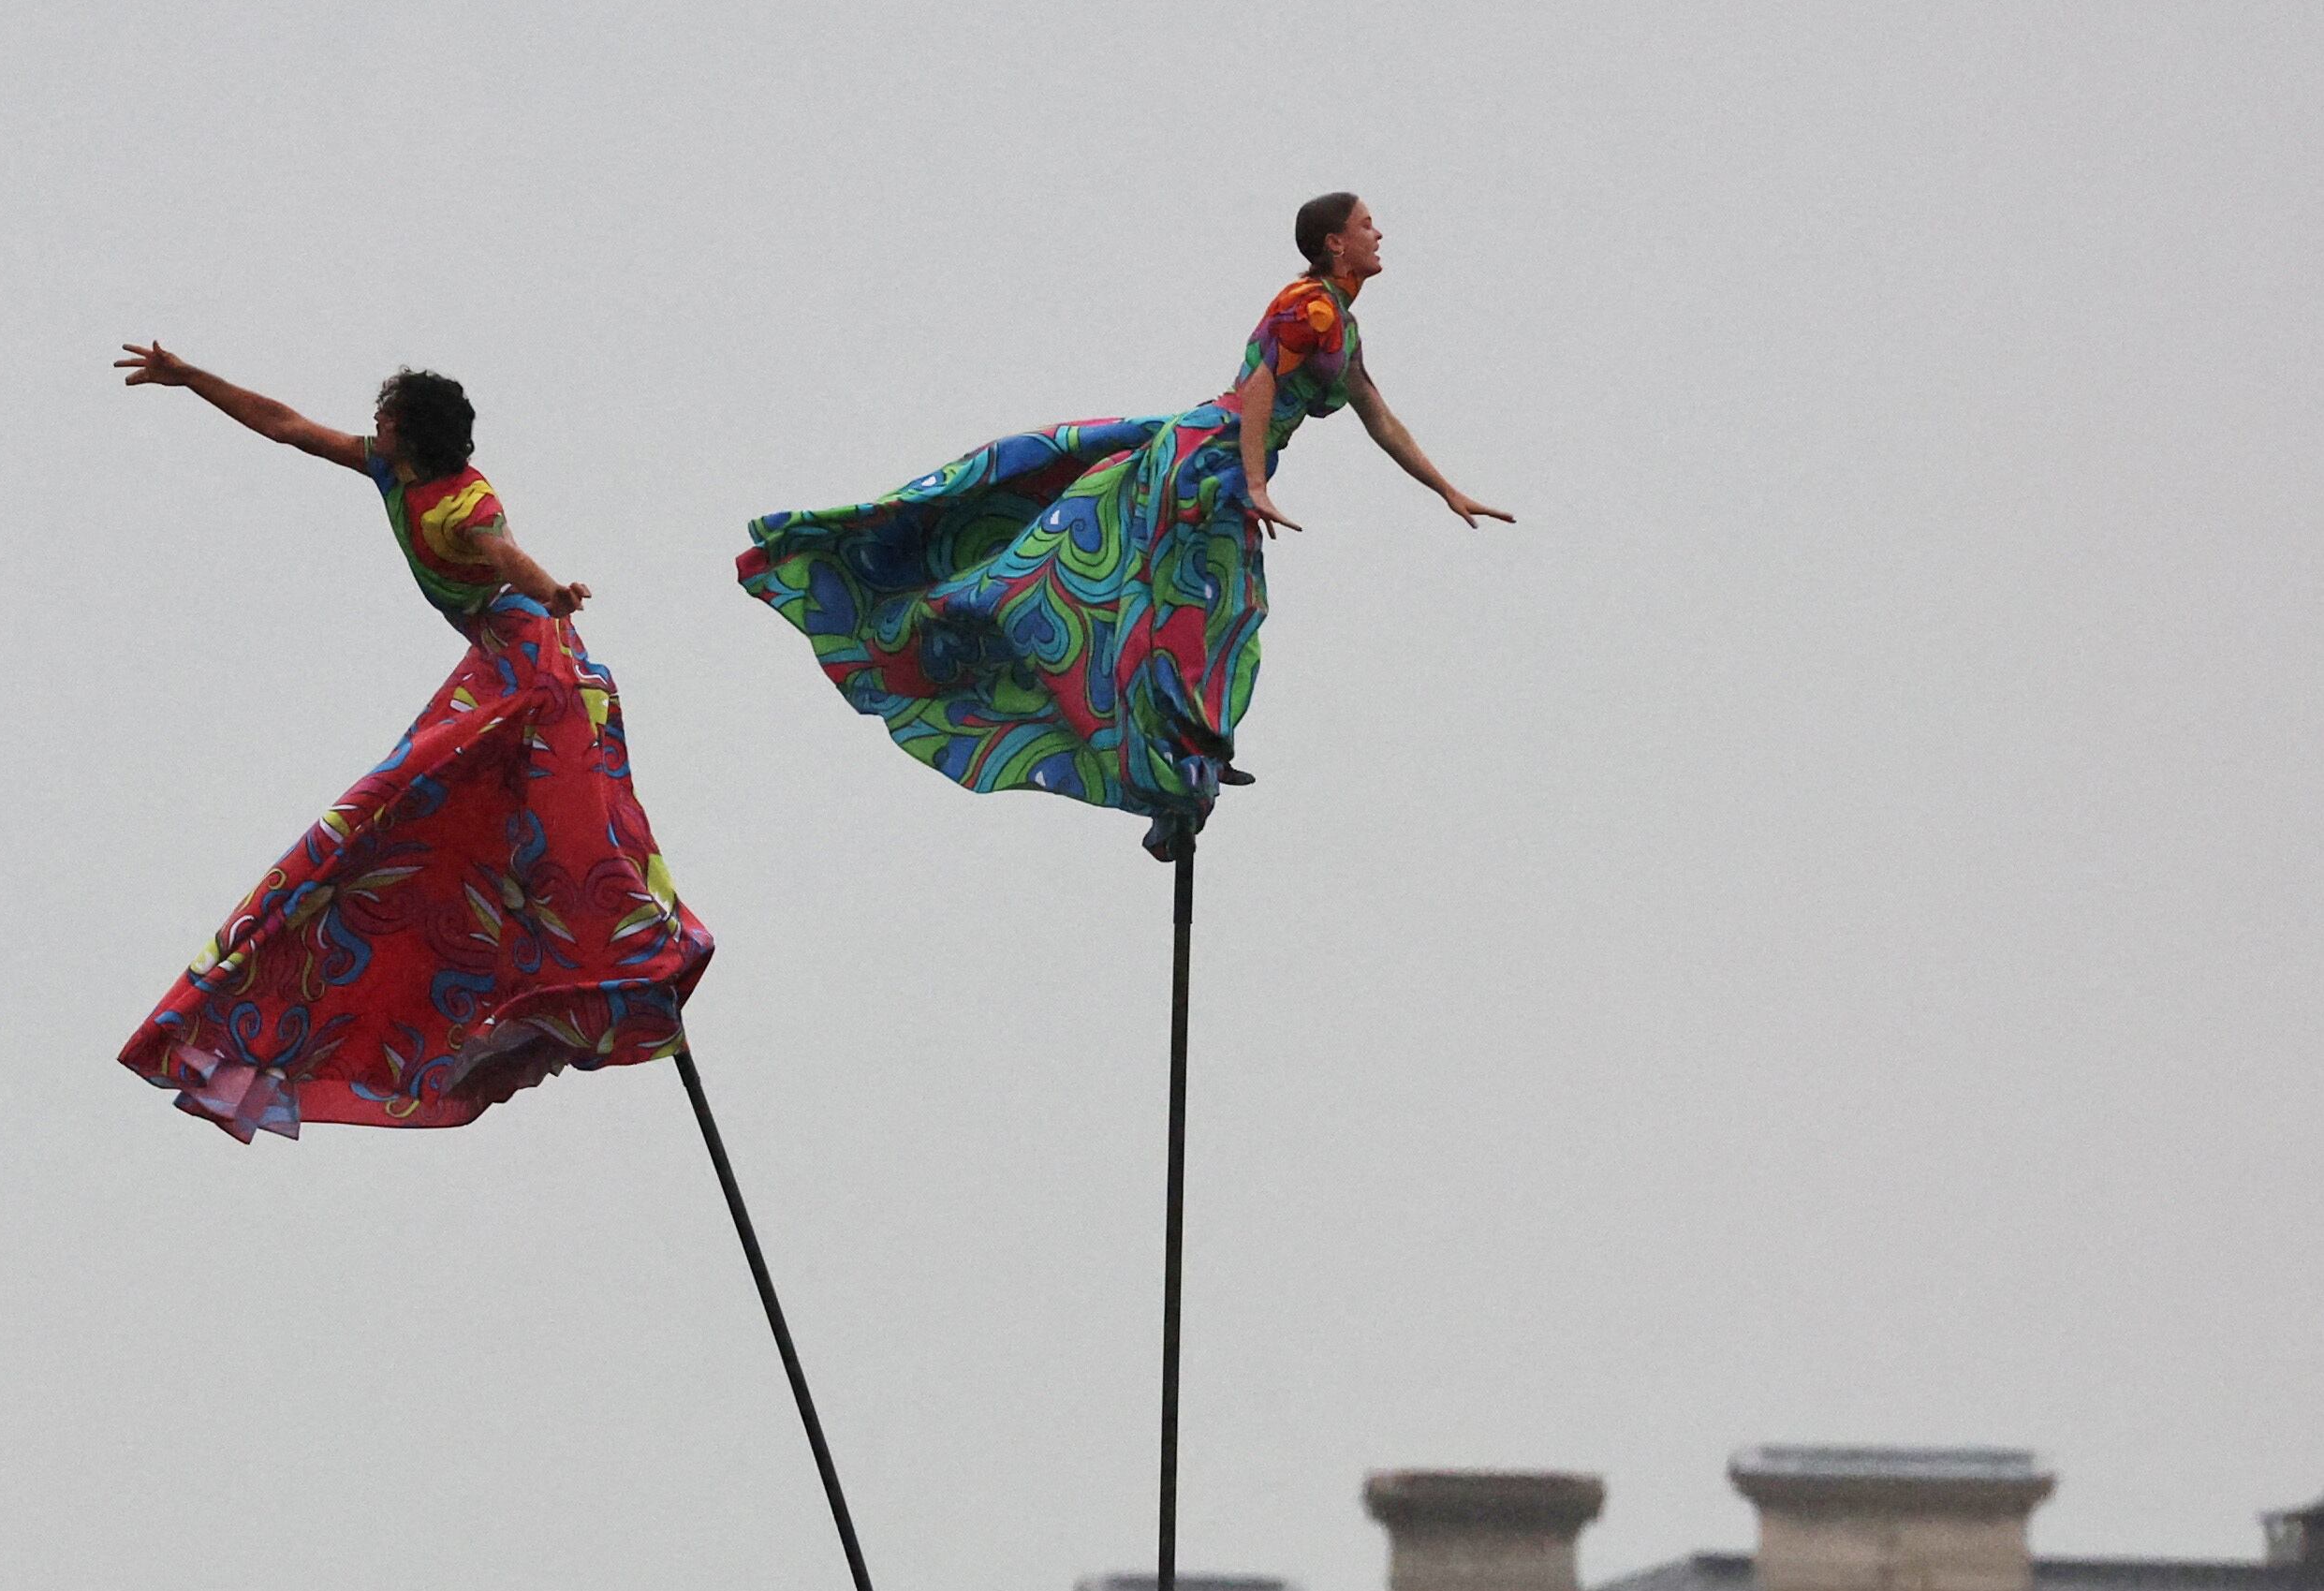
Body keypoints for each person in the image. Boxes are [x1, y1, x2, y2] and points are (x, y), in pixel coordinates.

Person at [737, 193, 1511, 859]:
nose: (1382, 235)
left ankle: (1181, 767)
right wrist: (1250, 482)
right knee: (1201, 610)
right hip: (1209, 462)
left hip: (1229, 469)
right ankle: (1169, 757)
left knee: (1219, 613)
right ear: (1334, 243)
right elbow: (1261, 389)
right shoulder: (1305, 306)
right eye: (1369, 224)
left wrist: (1447, 489)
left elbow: (1376, 414)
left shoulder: (1340, 323)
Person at [112, 345, 709, 1140]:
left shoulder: (463, 505)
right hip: (495, 654)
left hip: (534, 659)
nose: (373, 424)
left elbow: (504, 553)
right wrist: (192, 379)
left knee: (457, 786)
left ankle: (613, 923)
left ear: (413, 434)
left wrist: (553, 591)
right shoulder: (392, 473)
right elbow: (286, 426)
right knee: (407, 798)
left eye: (386, 417)